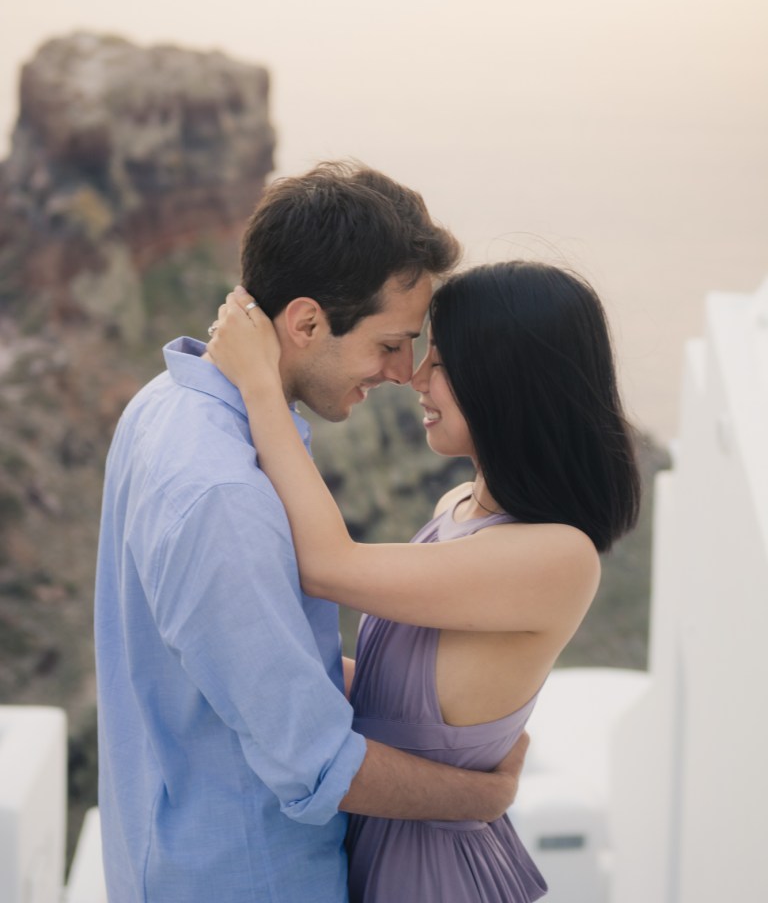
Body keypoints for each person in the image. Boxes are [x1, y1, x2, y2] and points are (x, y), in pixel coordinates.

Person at [94, 161, 529, 903]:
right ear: (305, 322)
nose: (402, 372)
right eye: (391, 343)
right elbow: (316, 762)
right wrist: (481, 798)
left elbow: (250, 663)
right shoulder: (223, 493)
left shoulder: (163, 401)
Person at [207, 259, 642, 903]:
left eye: (441, 362)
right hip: (383, 844)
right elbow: (394, 691)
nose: (415, 377)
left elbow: (328, 565)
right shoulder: (457, 508)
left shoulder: (558, 557)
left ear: (507, 380)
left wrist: (259, 386)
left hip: (434, 875)